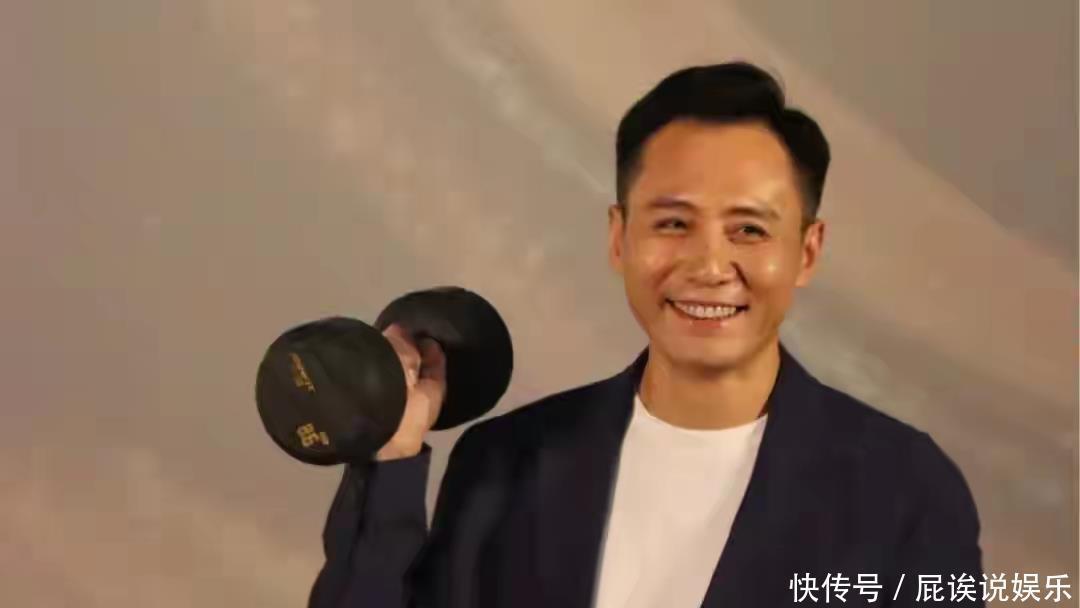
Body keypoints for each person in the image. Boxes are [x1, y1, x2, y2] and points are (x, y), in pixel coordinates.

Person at [308, 62, 984, 608]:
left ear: (807, 252)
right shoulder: (506, 465)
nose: (709, 266)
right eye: (673, 224)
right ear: (619, 237)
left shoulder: (903, 487)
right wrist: (392, 455)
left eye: (749, 229)